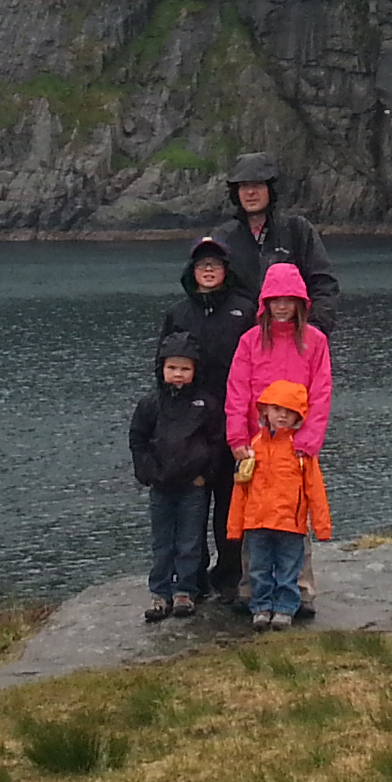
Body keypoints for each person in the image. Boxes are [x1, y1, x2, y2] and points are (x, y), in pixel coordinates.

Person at [224, 263, 332, 628]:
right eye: (275, 300)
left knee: (294, 515)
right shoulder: (250, 341)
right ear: (265, 303)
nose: (282, 307)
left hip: (296, 444)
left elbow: (321, 393)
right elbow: (237, 392)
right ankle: (252, 589)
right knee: (254, 514)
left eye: (289, 300)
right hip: (257, 444)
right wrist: (238, 439)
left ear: (300, 302)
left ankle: (300, 589)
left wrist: (309, 440)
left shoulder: (315, 341)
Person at [157, 237, 252, 610]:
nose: (208, 270)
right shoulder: (177, 314)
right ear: (191, 272)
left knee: (231, 504)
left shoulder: (244, 311)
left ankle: (228, 576)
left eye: (215, 264)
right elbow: (161, 369)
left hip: (233, 419)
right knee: (192, 503)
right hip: (190, 424)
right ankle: (190, 579)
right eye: (201, 265)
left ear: (226, 270)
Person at [128, 339, 228, 621]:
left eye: (185, 368)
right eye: (172, 367)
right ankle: (159, 593)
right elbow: (138, 439)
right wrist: (146, 473)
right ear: (162, 369)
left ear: (195, 370)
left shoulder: (205, 404)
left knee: (190, 541)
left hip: (192, 487)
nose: (178, 374)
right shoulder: (150, 404)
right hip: (160, 486)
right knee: (162, 542)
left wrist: (204, 476)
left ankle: (185, 591)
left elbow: (216, 443)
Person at [207, 152, 339, 331]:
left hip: (293, 340)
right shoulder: (223, 237)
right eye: (244, 186)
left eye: (258, 185)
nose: (251, 192)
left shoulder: (298, 230)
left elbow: (324, 285)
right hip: (239, 343)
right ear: (235, 193)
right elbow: (206, 291)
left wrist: (314, 330)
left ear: (271, 189)